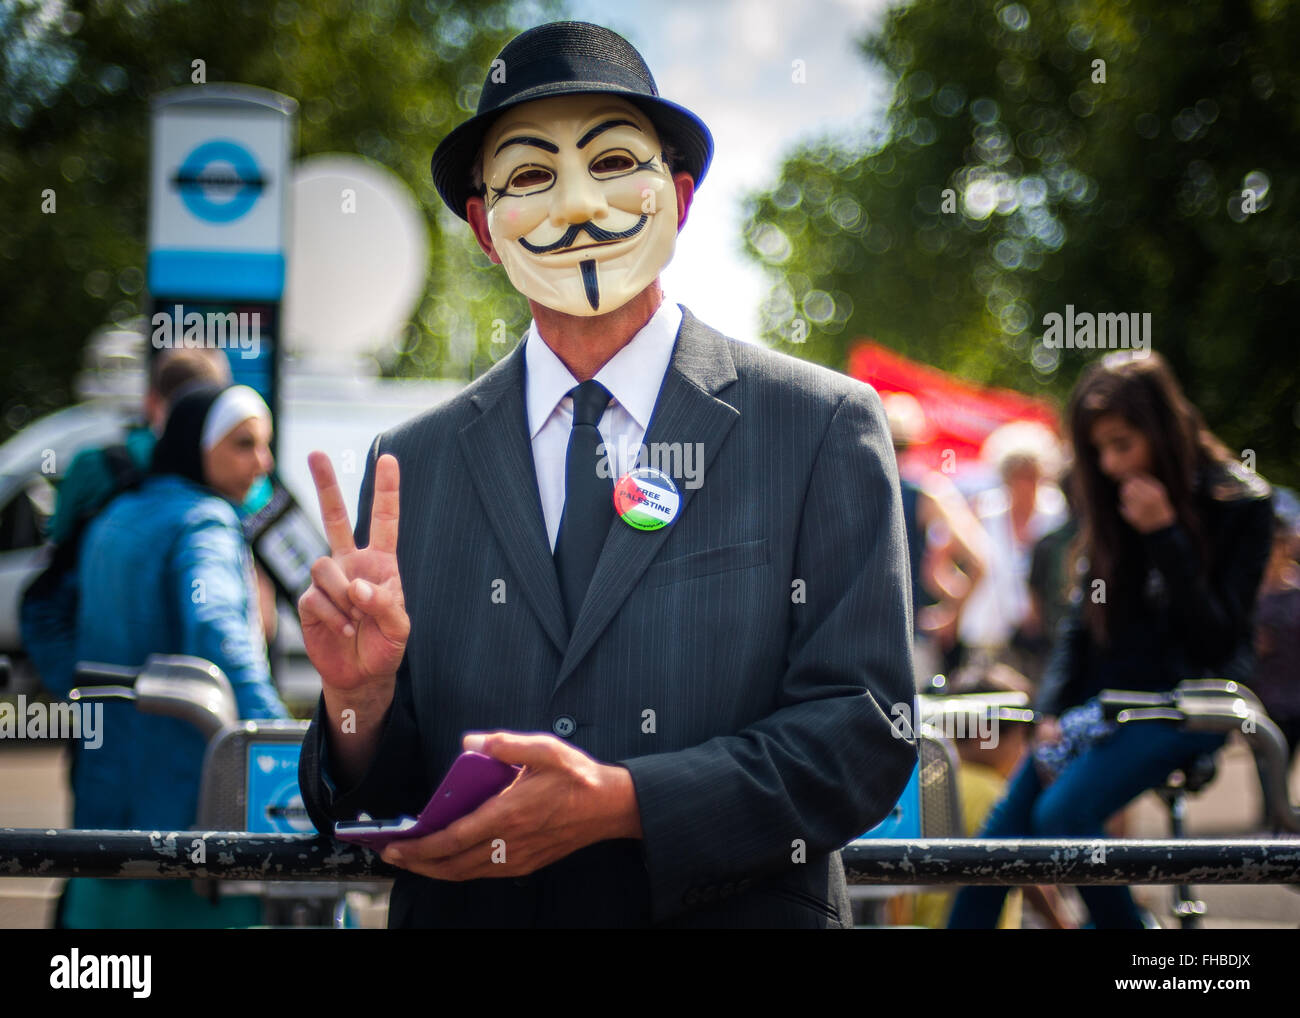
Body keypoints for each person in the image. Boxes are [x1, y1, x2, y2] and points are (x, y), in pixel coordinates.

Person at [296, 21, 917, 928]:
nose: (578, 207)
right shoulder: (411, 465)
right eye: (532, 177)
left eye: (613, 162)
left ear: (679, 194)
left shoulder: (817, 425)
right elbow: (370, 801)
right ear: (482, 226)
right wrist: (359, 702)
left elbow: (861, 733)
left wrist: (625, 802)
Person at [947, 350, 1273, 929]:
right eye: (1099, 449)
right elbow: (1081, 624)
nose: (1111, 463)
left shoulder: (1239, 503)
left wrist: (1166, 535)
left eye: (1122, 443)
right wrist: (1051, 709)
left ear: (1162, 429)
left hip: (1188, 706)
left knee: (1063, 814)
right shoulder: (1108, 499)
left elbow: (1217, 642)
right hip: (1101, 709)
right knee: (994, 847)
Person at [50, 383, 290, 928]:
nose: (264, 462)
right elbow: (217, 634)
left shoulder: (117, 514)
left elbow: (50, 613)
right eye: (244, 444)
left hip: (102, 820)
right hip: (185, 824)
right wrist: (283, 741)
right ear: (196, 445)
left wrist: (80, 689)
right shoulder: (205, 520)